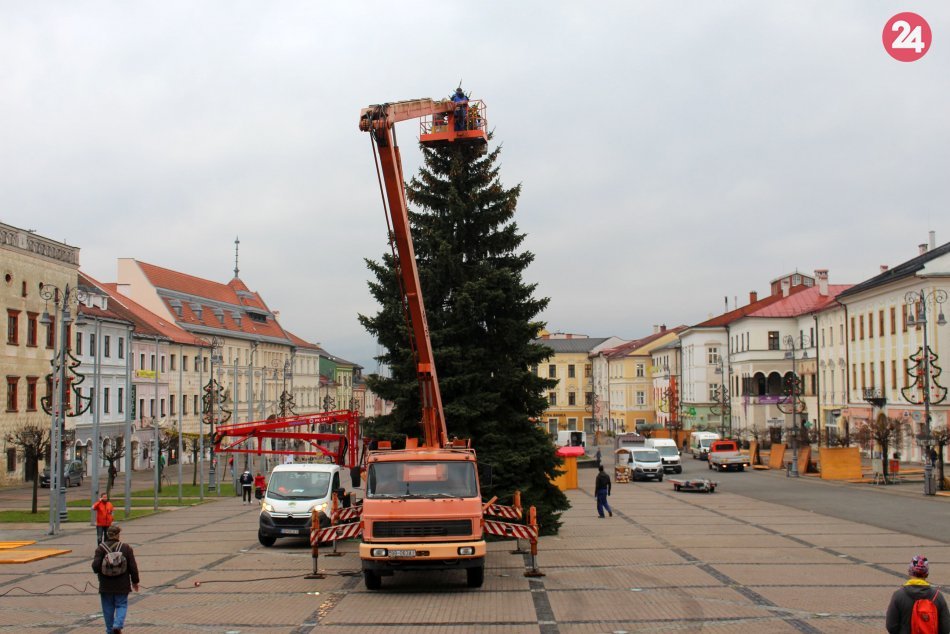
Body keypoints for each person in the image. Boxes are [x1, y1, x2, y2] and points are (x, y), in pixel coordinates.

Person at [92, 524, 139, 634]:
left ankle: (110, 630)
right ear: (118, 535)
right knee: (121, 604)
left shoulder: (101, 548)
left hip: (105, 585)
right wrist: (135, 581)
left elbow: (95, 567)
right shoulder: (126, 548)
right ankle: (118, 624)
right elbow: (133, 566)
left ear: (107, 534)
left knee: (107, 608)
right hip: (122, 584)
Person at [886, 554, 950, 634]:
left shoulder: (899, 595)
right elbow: (945, 628)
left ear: (910, 571)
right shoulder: (937, 596)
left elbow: (891, 626)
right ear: (926, 573)